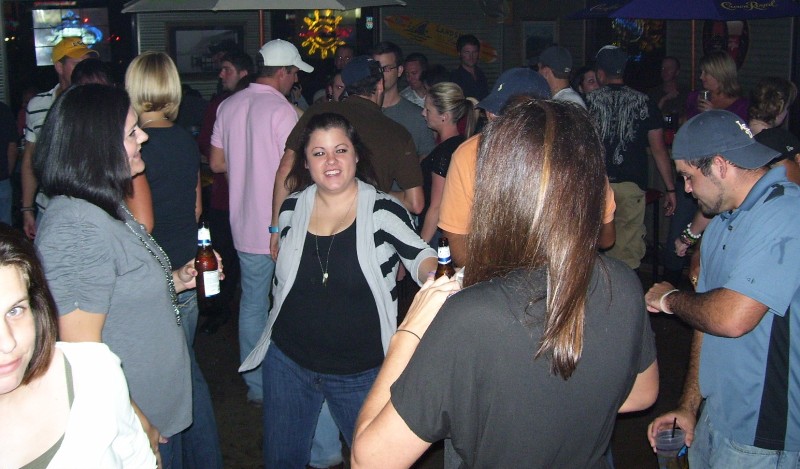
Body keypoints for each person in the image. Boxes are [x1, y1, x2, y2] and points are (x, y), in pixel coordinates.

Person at [351, 99, 658, 468]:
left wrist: (409, 331)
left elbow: (370, 460)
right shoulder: (621, 282)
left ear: (499, 189)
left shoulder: (471, 316)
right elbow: (642, 393)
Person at [239, 112, 437, 468]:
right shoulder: (291, 208)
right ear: (306, 163)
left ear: (356, 155)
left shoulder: (383, 210)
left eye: (340, 150)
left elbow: (421, 256)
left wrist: (438, 277)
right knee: (282, 461)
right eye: (319, 153)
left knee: (375, 462)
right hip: (288, 362)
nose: (330, 161)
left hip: (359, 372)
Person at [33, 84, 205, 468]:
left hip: (154, 409)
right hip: (132, 423)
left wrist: (177, 278)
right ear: (97, 147)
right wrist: (139, 422)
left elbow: (117, 289)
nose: (143, 136)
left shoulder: (103, 204)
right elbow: (81, 357)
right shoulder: (77, 228)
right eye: (131, 132)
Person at [645, 110, 800, 468]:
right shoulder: (721, 222)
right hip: (717, 416)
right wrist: (689, 406)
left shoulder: (786, 212)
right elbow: (707, 319)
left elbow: (731, 318)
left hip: (764, 434)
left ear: (719, 165)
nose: (686, 188)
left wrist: (670, 299)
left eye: (688, 177)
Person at [125, 51, 222, 469]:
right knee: (186, 370)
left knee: (174, 379)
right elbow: (197, 208)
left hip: (157, 275)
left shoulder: (133, 147)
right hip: (187, 264)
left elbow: (137, 222)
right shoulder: (183, 139)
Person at [209, 39, 313, 405]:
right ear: (282, 72)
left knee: (252, 303)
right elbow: (296, 169)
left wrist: (246, 163)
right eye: (294, 72)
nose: (296, 79)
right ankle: (290, 379)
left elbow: (216, 163)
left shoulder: (229, 105)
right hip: (281, 224)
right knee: (288, 303)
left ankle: (256, 386)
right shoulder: (282, 110)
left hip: (243, 222)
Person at [0, 224, 156, 468]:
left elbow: (138, 459)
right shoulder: (75, 225)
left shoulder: (91, 371)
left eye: (15, 310)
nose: (7, 342)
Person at [272, 56, 424, 259]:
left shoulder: (318, 113)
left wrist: (276, 228)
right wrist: (374, 190)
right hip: (367, 240)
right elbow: (415, 203)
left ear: (346, 86)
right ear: (380, 85)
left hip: (311, 229)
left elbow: (285, 169)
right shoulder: (398, 133)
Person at [587, 45, 676, 271]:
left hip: (596, 185)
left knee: (592, 249)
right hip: (631, 184)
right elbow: (659, 149)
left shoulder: (587, 102)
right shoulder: (644, 102)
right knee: (626, 255)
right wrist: (671, 188)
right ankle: (625, 292)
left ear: (600, 73)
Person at [197, 50, 253, 335]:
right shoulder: (219, 104)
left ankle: (244, 312)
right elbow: (206, 147)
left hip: (250, 199)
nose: (221, 75)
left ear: (243, 73)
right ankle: (219, 311)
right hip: (226, 199)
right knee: (222, 258)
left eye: (227, 69)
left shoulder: (258, 104)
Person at [20, 37, 98, 239]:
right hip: (48, 209)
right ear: (59, 67)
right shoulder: (38, 105)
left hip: (92, 208)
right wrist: (27, 208)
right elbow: (30, 159)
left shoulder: (96, 103)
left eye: (87, 63)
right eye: (77, 63)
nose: (83, 69)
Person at [419, 82, 476, 246]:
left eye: (428, 110)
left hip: (438, 235)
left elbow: (437, 207)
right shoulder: (463, 144)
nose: (423, 113)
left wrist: (419, 249)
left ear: (444, 116)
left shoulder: (445, 153)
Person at [371, 42, 436, 159]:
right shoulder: (364, 111)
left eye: (386, 69)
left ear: (400, 70)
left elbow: (426, 157)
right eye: (376, 69)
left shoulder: (418, 116)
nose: (380, 74)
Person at [686, 50, 748, 121]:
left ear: (720, 75)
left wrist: (714, 114)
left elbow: (737, 127)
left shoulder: (741, 106)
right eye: (701, 72)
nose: (701, 77)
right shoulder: (693, 98)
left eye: (706, 73)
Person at [449, 34, 489, 100]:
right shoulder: (455, 77)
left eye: (474, 52)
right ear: (459, 53)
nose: (471, 56)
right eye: (467, 52)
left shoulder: (481, 74)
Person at [0, 102, 17, 226]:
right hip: (2, 179)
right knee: (5, 230)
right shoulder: (4, 110)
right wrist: (7, 172)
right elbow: (12, 147)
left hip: (3, 180)